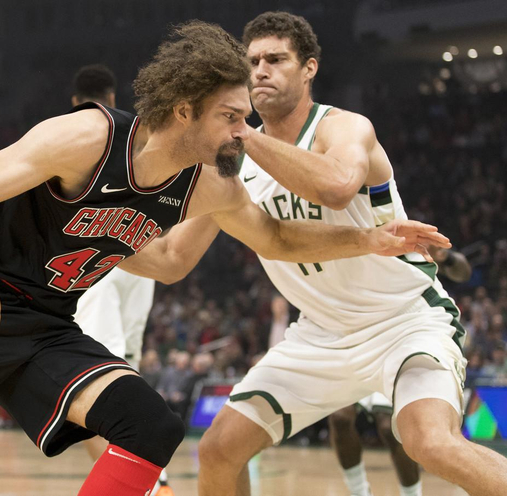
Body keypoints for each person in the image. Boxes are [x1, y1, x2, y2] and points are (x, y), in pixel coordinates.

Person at [0, 21, 447, 496]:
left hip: (47, 326)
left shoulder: (210, 184)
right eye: (231, 117)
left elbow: (266, 242)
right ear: (184, 110)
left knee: (151, 426)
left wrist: (367, 240)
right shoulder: (87, 137)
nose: (243, 133)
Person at [186, 12, 506, 496]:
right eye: (252, 62)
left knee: (431, 443)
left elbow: (336, 187)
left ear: (309, 68)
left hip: (403, 320)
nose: (260, 71)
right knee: (217, 451)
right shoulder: (231, 166)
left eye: (276, 59)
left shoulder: (344, 127)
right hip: (320, 334)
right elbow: (172, 261)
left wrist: (243, 132)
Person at [69, 63, 172, 496]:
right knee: (126, 373)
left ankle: (150, 486)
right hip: (141, 254)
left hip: (98, 260)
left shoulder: (69, 135)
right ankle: (152, 483)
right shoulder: (139, 135)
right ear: (113, 97)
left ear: (75, 102)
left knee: (98, 388)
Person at [327, 246, 472, 496]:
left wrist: (446, 257)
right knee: (339, 417)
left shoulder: (405, 235)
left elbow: (463, 273)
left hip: (401, 331)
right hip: (355, 334)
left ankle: (412, 494)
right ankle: (359, 492)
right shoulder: (348, 239)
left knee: (388, 427)